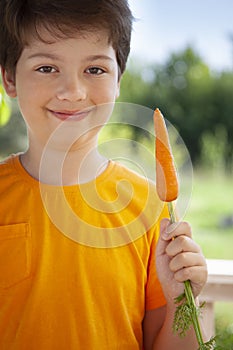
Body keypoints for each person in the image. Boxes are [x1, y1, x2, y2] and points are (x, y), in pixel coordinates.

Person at [0, 1, 208, 349]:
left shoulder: (149, 209)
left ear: (118, 81)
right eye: (47, 67)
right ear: (9, 78)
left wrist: (181, 302)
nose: (73, 92)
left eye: (94, 70)